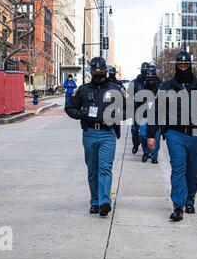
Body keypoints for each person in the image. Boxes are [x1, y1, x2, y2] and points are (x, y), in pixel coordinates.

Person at [147, 50, 197, 222]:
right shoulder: (167, 87)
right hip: (175, 133)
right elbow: (156, 112)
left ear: (190, 66)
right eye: (179, 65)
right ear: (176, 66)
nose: (182, 68)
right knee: (178, 168)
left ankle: (190, 199)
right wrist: (152, 135)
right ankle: (178, 205)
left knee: (193, 169)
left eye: (185, 65)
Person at [65, 57, 125, 217]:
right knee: (93, 170)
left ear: (106, 71)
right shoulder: (83, 90)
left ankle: (104, 202)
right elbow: (69, 107)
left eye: (101, 72)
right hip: (90, 133)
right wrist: (82, 114)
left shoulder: (116, 89)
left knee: (105, 168)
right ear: (91, 72)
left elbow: (128, 109)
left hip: (108, 133)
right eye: (95, 72)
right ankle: (95, 201)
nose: (99, 75)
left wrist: (115, 115)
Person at [138, 65, 161, 164]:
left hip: (157, 117)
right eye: (148, 77)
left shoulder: (161, 89)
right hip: (144, 116)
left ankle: (154, 156)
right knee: (143, 135)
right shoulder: (142, 90)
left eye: (152, 77)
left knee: (156, 137)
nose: (150, 79)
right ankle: (146, 152)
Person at [130, 62, 149, 154]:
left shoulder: (152, 81)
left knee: (145, 132)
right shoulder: (135, 82)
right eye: (143, 70)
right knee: (134, 129)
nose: (145, 72)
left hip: (148, 110)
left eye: (146, 70)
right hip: (137, 109)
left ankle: (146, 150)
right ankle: (136, 144)